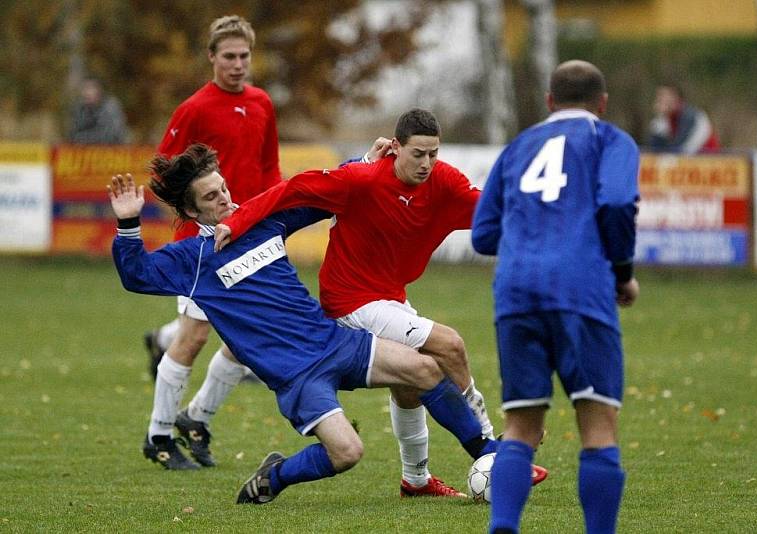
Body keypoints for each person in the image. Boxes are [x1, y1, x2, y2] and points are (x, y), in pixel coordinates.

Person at [108, 143, 501, 505]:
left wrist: (364, 163)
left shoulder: (263, 222)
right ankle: (275, 476)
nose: (226, 198)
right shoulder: (191, 260)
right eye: (212, 196)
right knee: (347, 453)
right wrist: (128, 224)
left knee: (425, 368)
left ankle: (488, 455)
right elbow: (136, 274)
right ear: (192, 212)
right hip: (296, 376)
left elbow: (321, 194)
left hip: (333, 342)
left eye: (224, 188)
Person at [214, 108, 548, 496]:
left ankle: (415, 480)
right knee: (449, 344)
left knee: (408, 384)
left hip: (389, 300)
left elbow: (495, 210)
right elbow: (293, 190)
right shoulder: (362, 179)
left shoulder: (444, 183)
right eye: (417, 154)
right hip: (348, 301)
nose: (426, 163)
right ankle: (492, 451)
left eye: (433, 154)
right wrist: (235, 222)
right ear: (394, 148)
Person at [471, 60, 640, 534]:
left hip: (516, 293)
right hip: (580, 289)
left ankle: (503, 526)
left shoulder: (518, 147)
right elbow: (617, 202)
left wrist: (532, 235)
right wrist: (622, 273)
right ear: (602, 104)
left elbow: (483, 235)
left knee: (521, 427)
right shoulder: (610, 140)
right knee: (598, 425)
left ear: (549, 102)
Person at [141, 14, 282, 470]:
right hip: (203, 242)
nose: (238, 64)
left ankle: (196, 418)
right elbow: (163, 173)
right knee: (194, 337)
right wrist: (192, 219)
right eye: (229, 56)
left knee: (246, 339)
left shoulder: (262, 103)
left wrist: (269, 221)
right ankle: (158, 436)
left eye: (244, 56)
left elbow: (270, 172)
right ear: (212, 57)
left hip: (246, 237)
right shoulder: (195, 109)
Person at [648, 83, 719, 154]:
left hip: (708, 159)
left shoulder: (691, 116)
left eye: (665, 97)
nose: (660, 100)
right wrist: (659, 117)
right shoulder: (663, 120)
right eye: (659, 97)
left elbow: (680, 148)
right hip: (689, 159)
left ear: (677, 99)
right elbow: (655, 148)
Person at [68, 77, 129, 144]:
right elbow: (73, 134)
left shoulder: (110, 107)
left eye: (90, 89)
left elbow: (111, 135)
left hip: (112, 150)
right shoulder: (81, 109)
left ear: (99, 90)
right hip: (87, 150)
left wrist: (83, 138)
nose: (86, 93)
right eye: (84, 89)